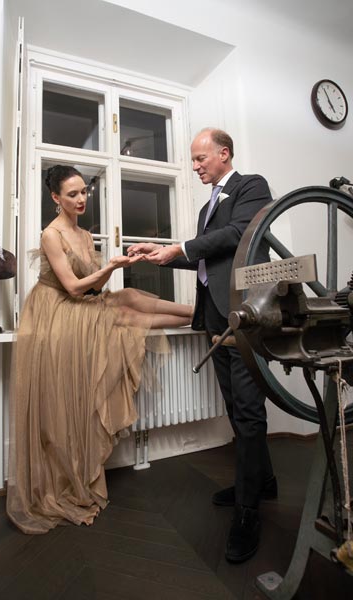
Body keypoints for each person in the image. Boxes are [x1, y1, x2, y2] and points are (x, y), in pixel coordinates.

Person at [7, 164, 192, 534]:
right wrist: (110, 266)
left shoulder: (85, 234)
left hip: (81, 305)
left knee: (129, 296)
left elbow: (92, 290)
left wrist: (110, 272)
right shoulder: (51, 234)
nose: (80, 199)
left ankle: (202, 314)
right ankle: (205, 315)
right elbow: (74, 288)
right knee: (124, 313)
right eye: (72, 194)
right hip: (56, 312)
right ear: (56, 198)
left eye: (83, 192)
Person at [128, 128, 277, 563]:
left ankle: (249, 512)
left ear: (223, 153)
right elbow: (201, 254)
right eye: (193, 161)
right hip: (216, 318)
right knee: (234, 407)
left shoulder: (252, 186)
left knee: (249, 412)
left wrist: (179, 246)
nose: (194, 167)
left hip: (245, 315)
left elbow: (235, 235)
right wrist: (160, 253)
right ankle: (261, 481)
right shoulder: (207, 207)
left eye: (199, 159)